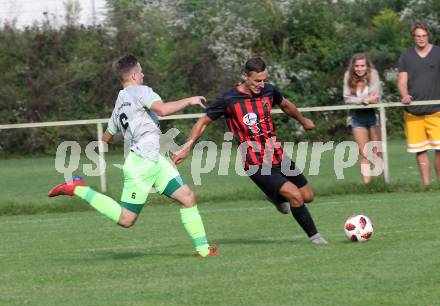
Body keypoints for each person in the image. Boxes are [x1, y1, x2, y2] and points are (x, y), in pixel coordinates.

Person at [48, 54, 218, 257]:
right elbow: (162, 110)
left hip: (154, 160)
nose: (144, 74)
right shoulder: (141, 91)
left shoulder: (120, 101)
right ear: (135, 74)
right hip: (142, 165)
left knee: (187, 197)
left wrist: (101, 148)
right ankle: (79, 189)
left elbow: (107, 136)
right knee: (126, 220)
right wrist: (190, 99)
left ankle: (204, 250)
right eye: (142, 71)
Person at [173, 56, 328, 245]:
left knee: (307, 197)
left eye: (264, 79)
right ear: (245, 76)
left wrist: (303, 121)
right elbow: (203, 122)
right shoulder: (228, 99)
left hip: (277, 154)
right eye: (257, 80)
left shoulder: (270, 91)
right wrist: (187, 147)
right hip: (255, 162)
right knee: (295, 195)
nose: (261, 84)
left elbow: (286, 105)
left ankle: (274, 196)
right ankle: (316, 238)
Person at [398, 21, 440, 186]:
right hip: (414, 112)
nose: (421, 39)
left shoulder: (438, 52)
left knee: (439, 149)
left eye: (424, 36)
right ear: (413, 37)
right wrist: (404, 95)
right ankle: (426, 185)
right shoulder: (406, 56)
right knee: (419, 150)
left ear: (428, 35)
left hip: (437, 111)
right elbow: (402, 81)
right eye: (418, 36)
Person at [343, 53, 383, 183]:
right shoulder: (348, 76)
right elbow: (347, 99)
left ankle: (379, 182)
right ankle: (367, 184)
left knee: (377, 151)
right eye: (357, 66)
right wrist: (365, 100)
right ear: (353, 67)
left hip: (373, 115)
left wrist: (361, 100)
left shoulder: (374, 74)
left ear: (367, 66)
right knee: (364, 153)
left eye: (362, 66)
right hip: (356, 117)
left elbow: (375, 96)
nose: (359, 69)